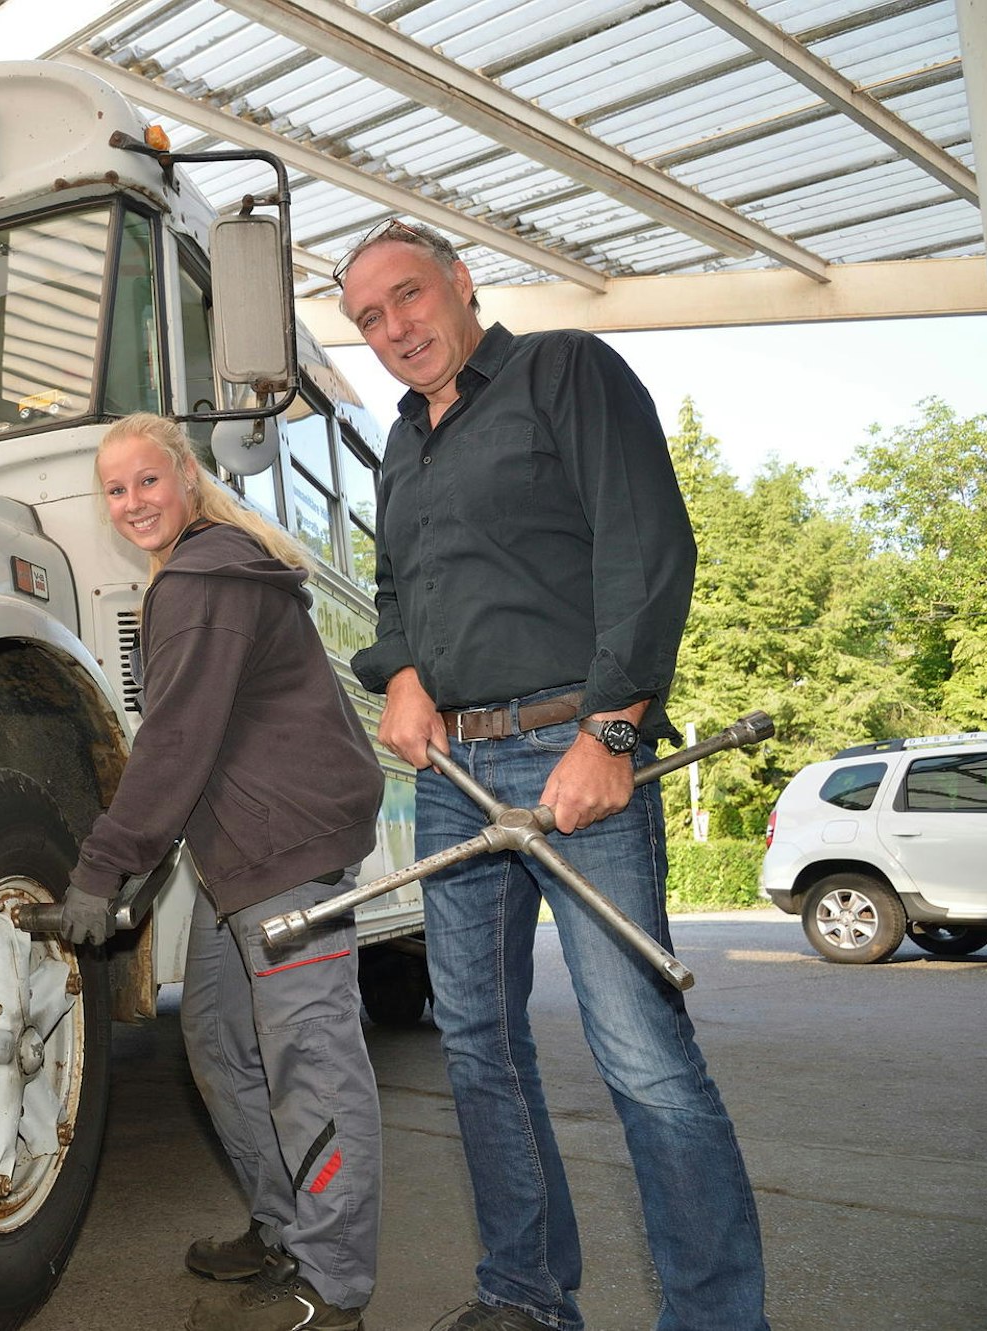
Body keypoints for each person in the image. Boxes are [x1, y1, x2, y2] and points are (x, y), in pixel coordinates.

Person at [336, 219, 769, 1331]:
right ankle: (524, 1294)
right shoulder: (398, 442)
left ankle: (716, 1318)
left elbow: (645, 543)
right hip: (453, 770)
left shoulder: (563, 368)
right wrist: (403, 675)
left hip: (567, 743)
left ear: (460, 281)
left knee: (638, 1050)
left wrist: (611, 732)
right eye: (367, 320)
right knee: (477, 1045)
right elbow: (398, 593)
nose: (391, 329)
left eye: (406, 297)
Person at [61, 412, 386, 1331]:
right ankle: (283, 1224)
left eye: (146, 481)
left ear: (187, 479)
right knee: (215, 1034)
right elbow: (193, 748)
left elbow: (172, 746)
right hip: (242, 850)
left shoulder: (201, 578)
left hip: (285, 849)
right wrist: (141, 861)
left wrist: (103, 868)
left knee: (310, 1065)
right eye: (116, 490)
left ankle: (335, 1287)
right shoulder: (199, 571)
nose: (132, 502)